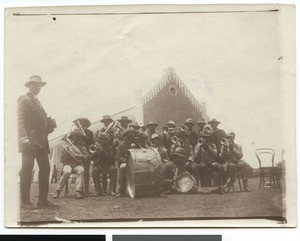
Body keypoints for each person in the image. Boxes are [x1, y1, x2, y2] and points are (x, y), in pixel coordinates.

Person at [18, 75, 56, 208]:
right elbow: (20, 120)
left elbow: (39, 122)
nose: (38, 87)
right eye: (34, 84)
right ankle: (25, 201)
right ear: (29, 85)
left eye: (39, 85)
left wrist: (49, 127)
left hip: (41, 141)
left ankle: (42, 200)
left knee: (45, 168)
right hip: (29, 141)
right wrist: (23, 137)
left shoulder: (38, 102)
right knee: (27, 170)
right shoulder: (24, 99)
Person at [53, 131, 90, 199]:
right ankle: (58, 190)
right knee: (67, 171)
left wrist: (81, 157)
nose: (73, 140)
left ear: (77, 138)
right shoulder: (66, 147)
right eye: (72, 138)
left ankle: (77, 191)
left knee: (81, 170)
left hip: (77, 164)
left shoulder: (82, 147)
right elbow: (62, 160)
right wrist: (68, 153)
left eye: (75, 138)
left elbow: (87, 156)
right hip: (67, 164)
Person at [115, 128, 139, 197]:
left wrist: (138, 144)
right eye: (130, 135)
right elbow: (118, 156)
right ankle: (121, 190)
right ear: (126, 136)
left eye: (133, 135)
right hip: (125, 162)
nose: (132, 136)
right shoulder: (121, 144)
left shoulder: (136, 143)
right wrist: (127, 161)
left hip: (136, 162)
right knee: (123, 167)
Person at [74, 117, 94, 195]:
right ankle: (79, 189)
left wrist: (85, 137)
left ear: (85, 124)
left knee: (86, 172)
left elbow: (92, 142)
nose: (81, 124)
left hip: (86, 153)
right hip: (78, 152)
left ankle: (87, 190)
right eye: (79, 123)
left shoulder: (89, 132)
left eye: (82, 123)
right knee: (80, 171)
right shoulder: (76, 132)